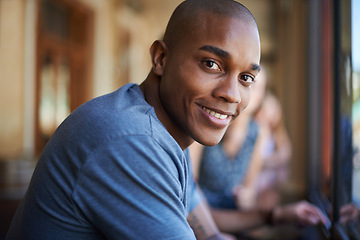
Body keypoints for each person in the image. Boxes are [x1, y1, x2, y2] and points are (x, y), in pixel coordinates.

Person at [6, 0, 261, 239]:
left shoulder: (169, 127)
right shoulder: (131, 140)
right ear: (161, 58)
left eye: (246, 78)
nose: (232, 94)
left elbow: (194, 208)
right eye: (211, 64)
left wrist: (264, 218)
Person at [190, 69, 331, 235]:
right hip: (198, 213)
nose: (251, 90)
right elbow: (189, 189)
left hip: (233, 214)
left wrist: (248, 197)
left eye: (257, 86)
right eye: (246, 81)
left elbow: (250, 187)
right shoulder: (207, 120)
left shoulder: (258, 132)